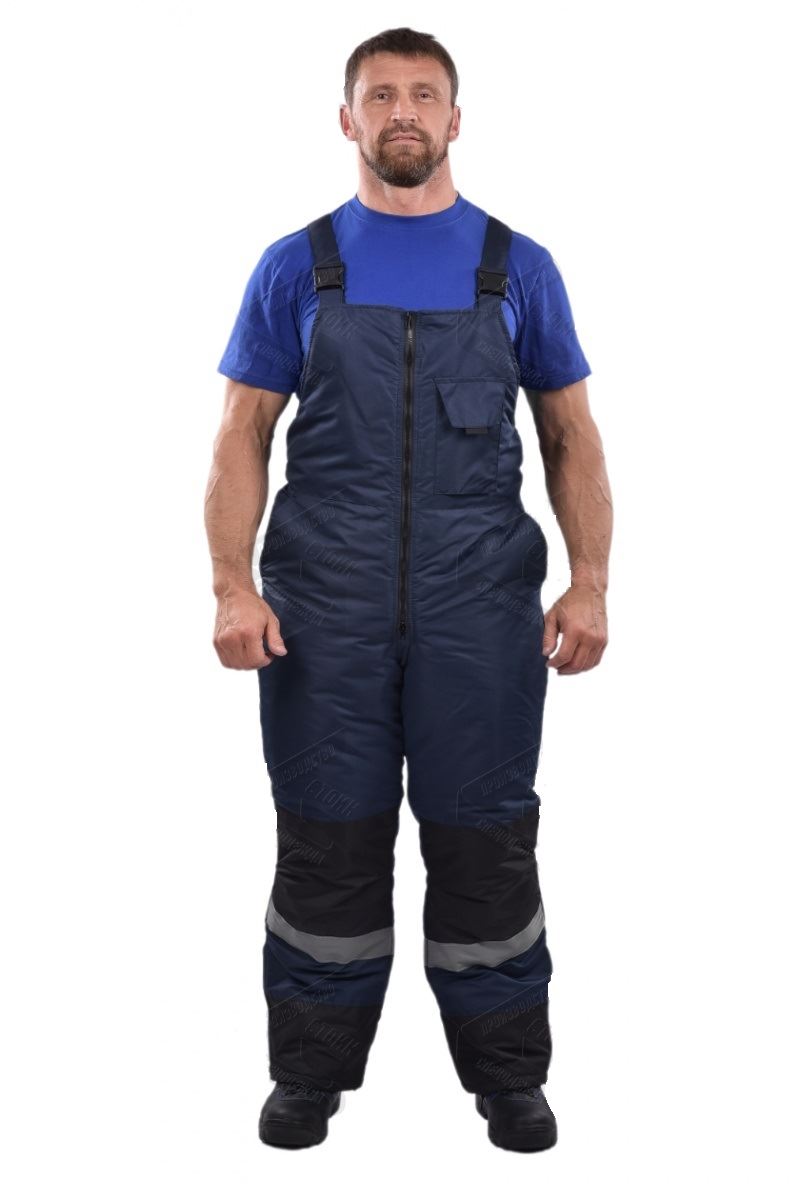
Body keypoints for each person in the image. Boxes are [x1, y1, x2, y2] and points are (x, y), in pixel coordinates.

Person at [204, 26, 612, 1153]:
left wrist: (589, 581)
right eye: (379, 94)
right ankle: (309, 1077)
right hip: (319, 614)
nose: (402, 112)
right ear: (347, 120)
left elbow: (571, 434)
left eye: (423, 94)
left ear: (454, 118)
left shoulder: (517, 267)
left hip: (479, 611)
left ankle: (508, 1081)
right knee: (325, 843)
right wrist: (231, 585)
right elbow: (240, 432)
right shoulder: (295, 266)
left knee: (486, 843)